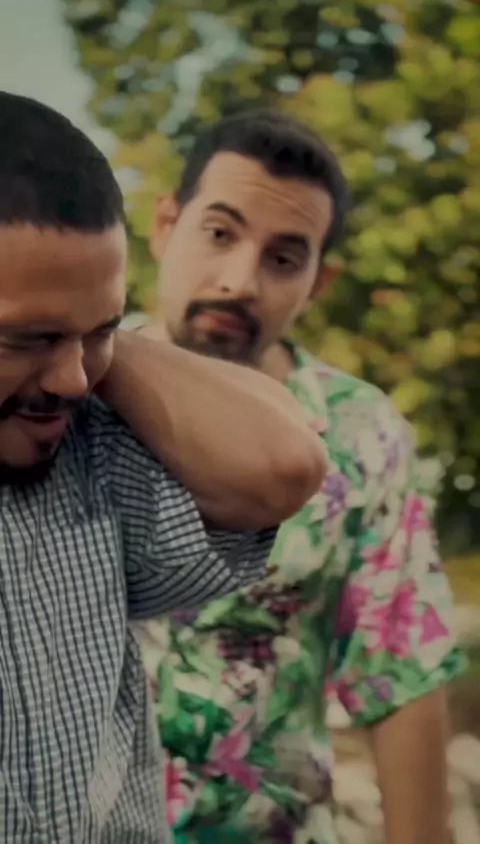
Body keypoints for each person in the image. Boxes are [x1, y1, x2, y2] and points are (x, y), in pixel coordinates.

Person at [0, 93, 327, 843]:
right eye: (27, 337)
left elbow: (283, 465)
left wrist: (96, 336)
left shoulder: (82, 452)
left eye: (102, 329)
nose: (74, 378)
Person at [137, 109, 466, 844]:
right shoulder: (69, 388)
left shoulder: (360, 431)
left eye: (284, 258)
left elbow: (400, 674)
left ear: (318, 283)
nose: (239, 281)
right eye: (219, 233)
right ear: (166, 224)